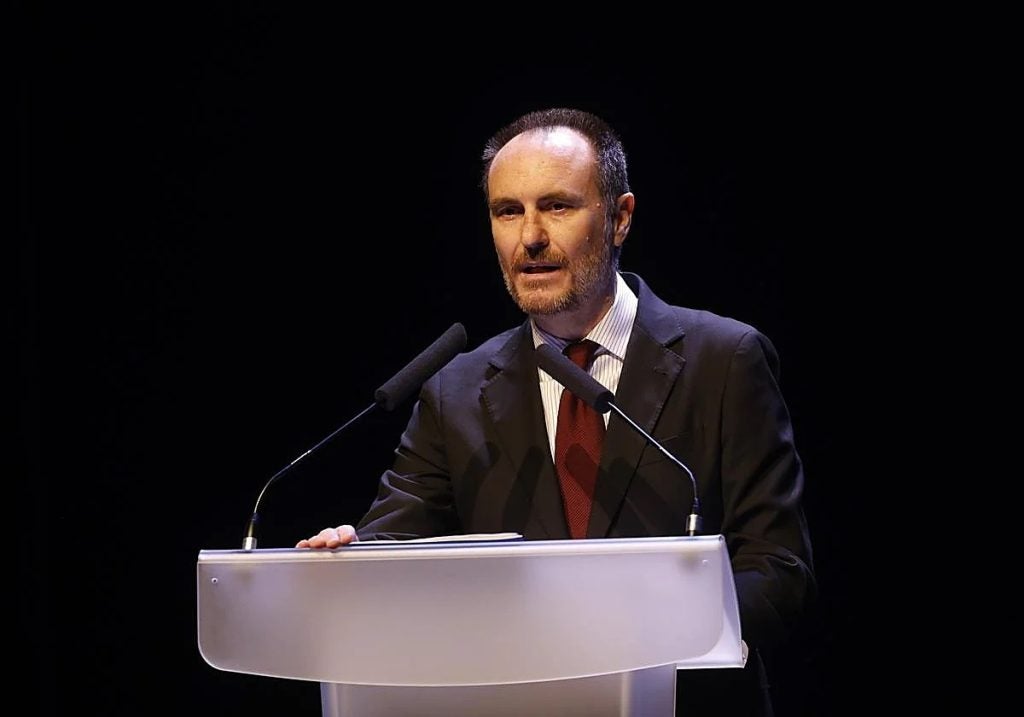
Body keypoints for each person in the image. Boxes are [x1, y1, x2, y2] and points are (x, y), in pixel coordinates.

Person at [297, 107, 815, 715]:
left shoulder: (724, 361)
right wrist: (353, 558)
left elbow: (777, 566)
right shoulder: (454, 390)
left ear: (620, 218)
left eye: (557, 206)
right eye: (507, 211)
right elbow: (397, 540)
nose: (531, 237)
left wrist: (667, 641)